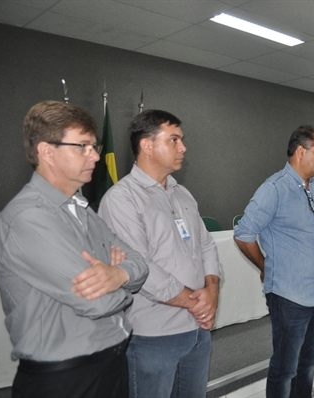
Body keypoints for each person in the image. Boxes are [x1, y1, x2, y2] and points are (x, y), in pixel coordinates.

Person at [0, 100, 149, 398]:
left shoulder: (83, 209)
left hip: (110, 365)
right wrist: (125, 281)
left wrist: (117, 274)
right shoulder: (28, 218)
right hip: (64, 380)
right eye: (82, 146)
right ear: (46, 152)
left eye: (95, 146)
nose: (94, 156)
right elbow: (97, 303)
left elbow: (140, 262)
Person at [98, 110, 223, 398]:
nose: (183, 147)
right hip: (153, 338)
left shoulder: (183, 194)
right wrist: (196, 302)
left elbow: (206, 245)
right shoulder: (121, 200)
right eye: (174, 140)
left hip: (197, 332)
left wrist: (212, 290)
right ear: (147, 145)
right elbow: (140, 267)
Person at [234, 125, 314, 398]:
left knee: (308, 364)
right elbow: (243, 234)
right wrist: (265, 266)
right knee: (284, 369)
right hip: (290, 298)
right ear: (301, 152)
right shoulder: (274, 188)